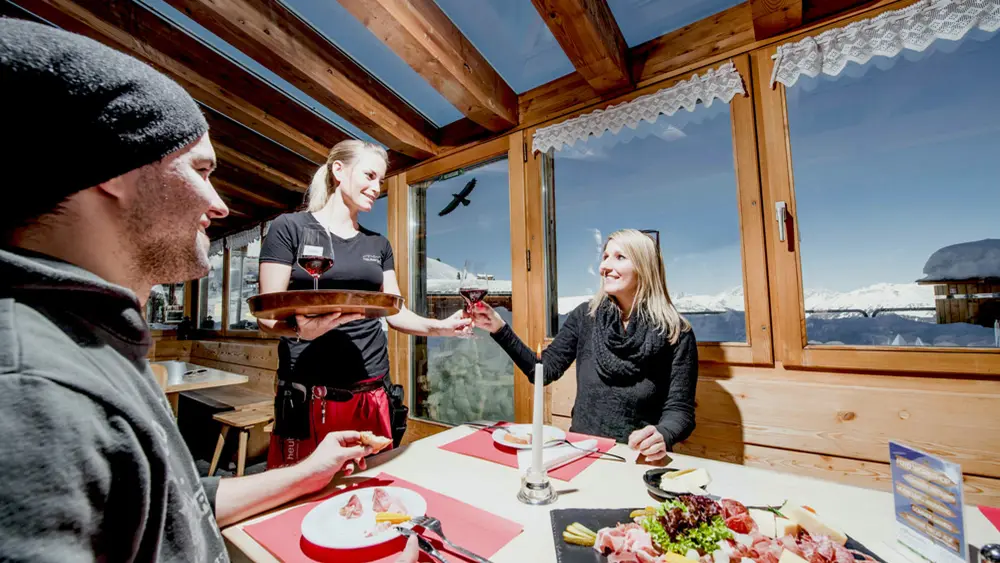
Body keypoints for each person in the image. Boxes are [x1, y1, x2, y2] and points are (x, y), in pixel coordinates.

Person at [0, 19, 418, 562]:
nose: (219, 205)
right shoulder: (30, 384)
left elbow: (178, 504)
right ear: (116, 170)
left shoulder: (93, 341)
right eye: (201, 170)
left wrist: (309, 473)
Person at [257, 140, 472, 469]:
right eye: (369, 176)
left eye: (380, 181)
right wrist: (300, 332)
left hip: (372, 390)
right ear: (338, 170)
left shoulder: (378, 244)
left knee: (372, 487)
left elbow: (394, 310)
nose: (376, 188)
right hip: (310, 393)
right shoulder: (290, 228)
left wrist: (440, 327)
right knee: (304, 491)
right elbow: (266, 314)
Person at [470, 229, 698, 461]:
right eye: (605, 257)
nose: (604, 266)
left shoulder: (676, 332)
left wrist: (663, 434)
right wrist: (499, 328)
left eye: (619, 257)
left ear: (644, 267)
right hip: (583, 451)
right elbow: (542, 371)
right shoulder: (586, 316)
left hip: (639, 457)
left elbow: (680, 411)